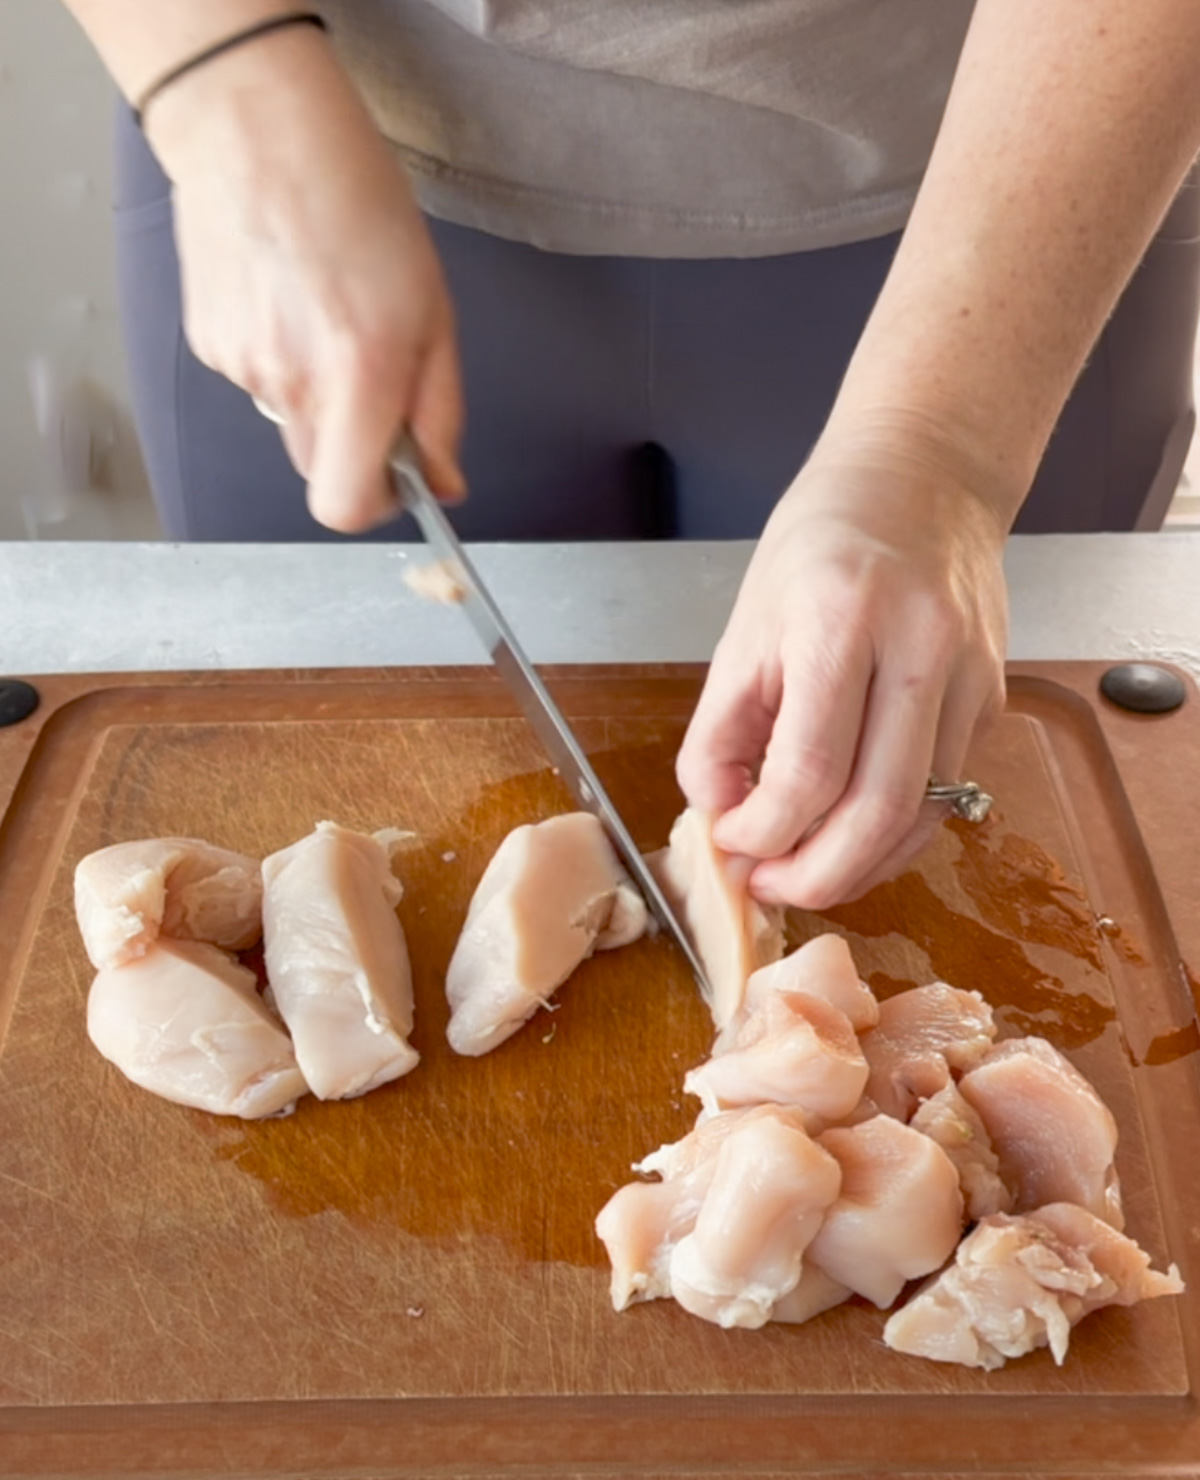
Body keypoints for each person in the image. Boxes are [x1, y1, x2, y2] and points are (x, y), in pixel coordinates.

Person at [66, 1, 1200, 909]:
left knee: (948, 825)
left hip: (1008, 170)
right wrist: (223, 83)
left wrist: (942, 453)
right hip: (294, 142)